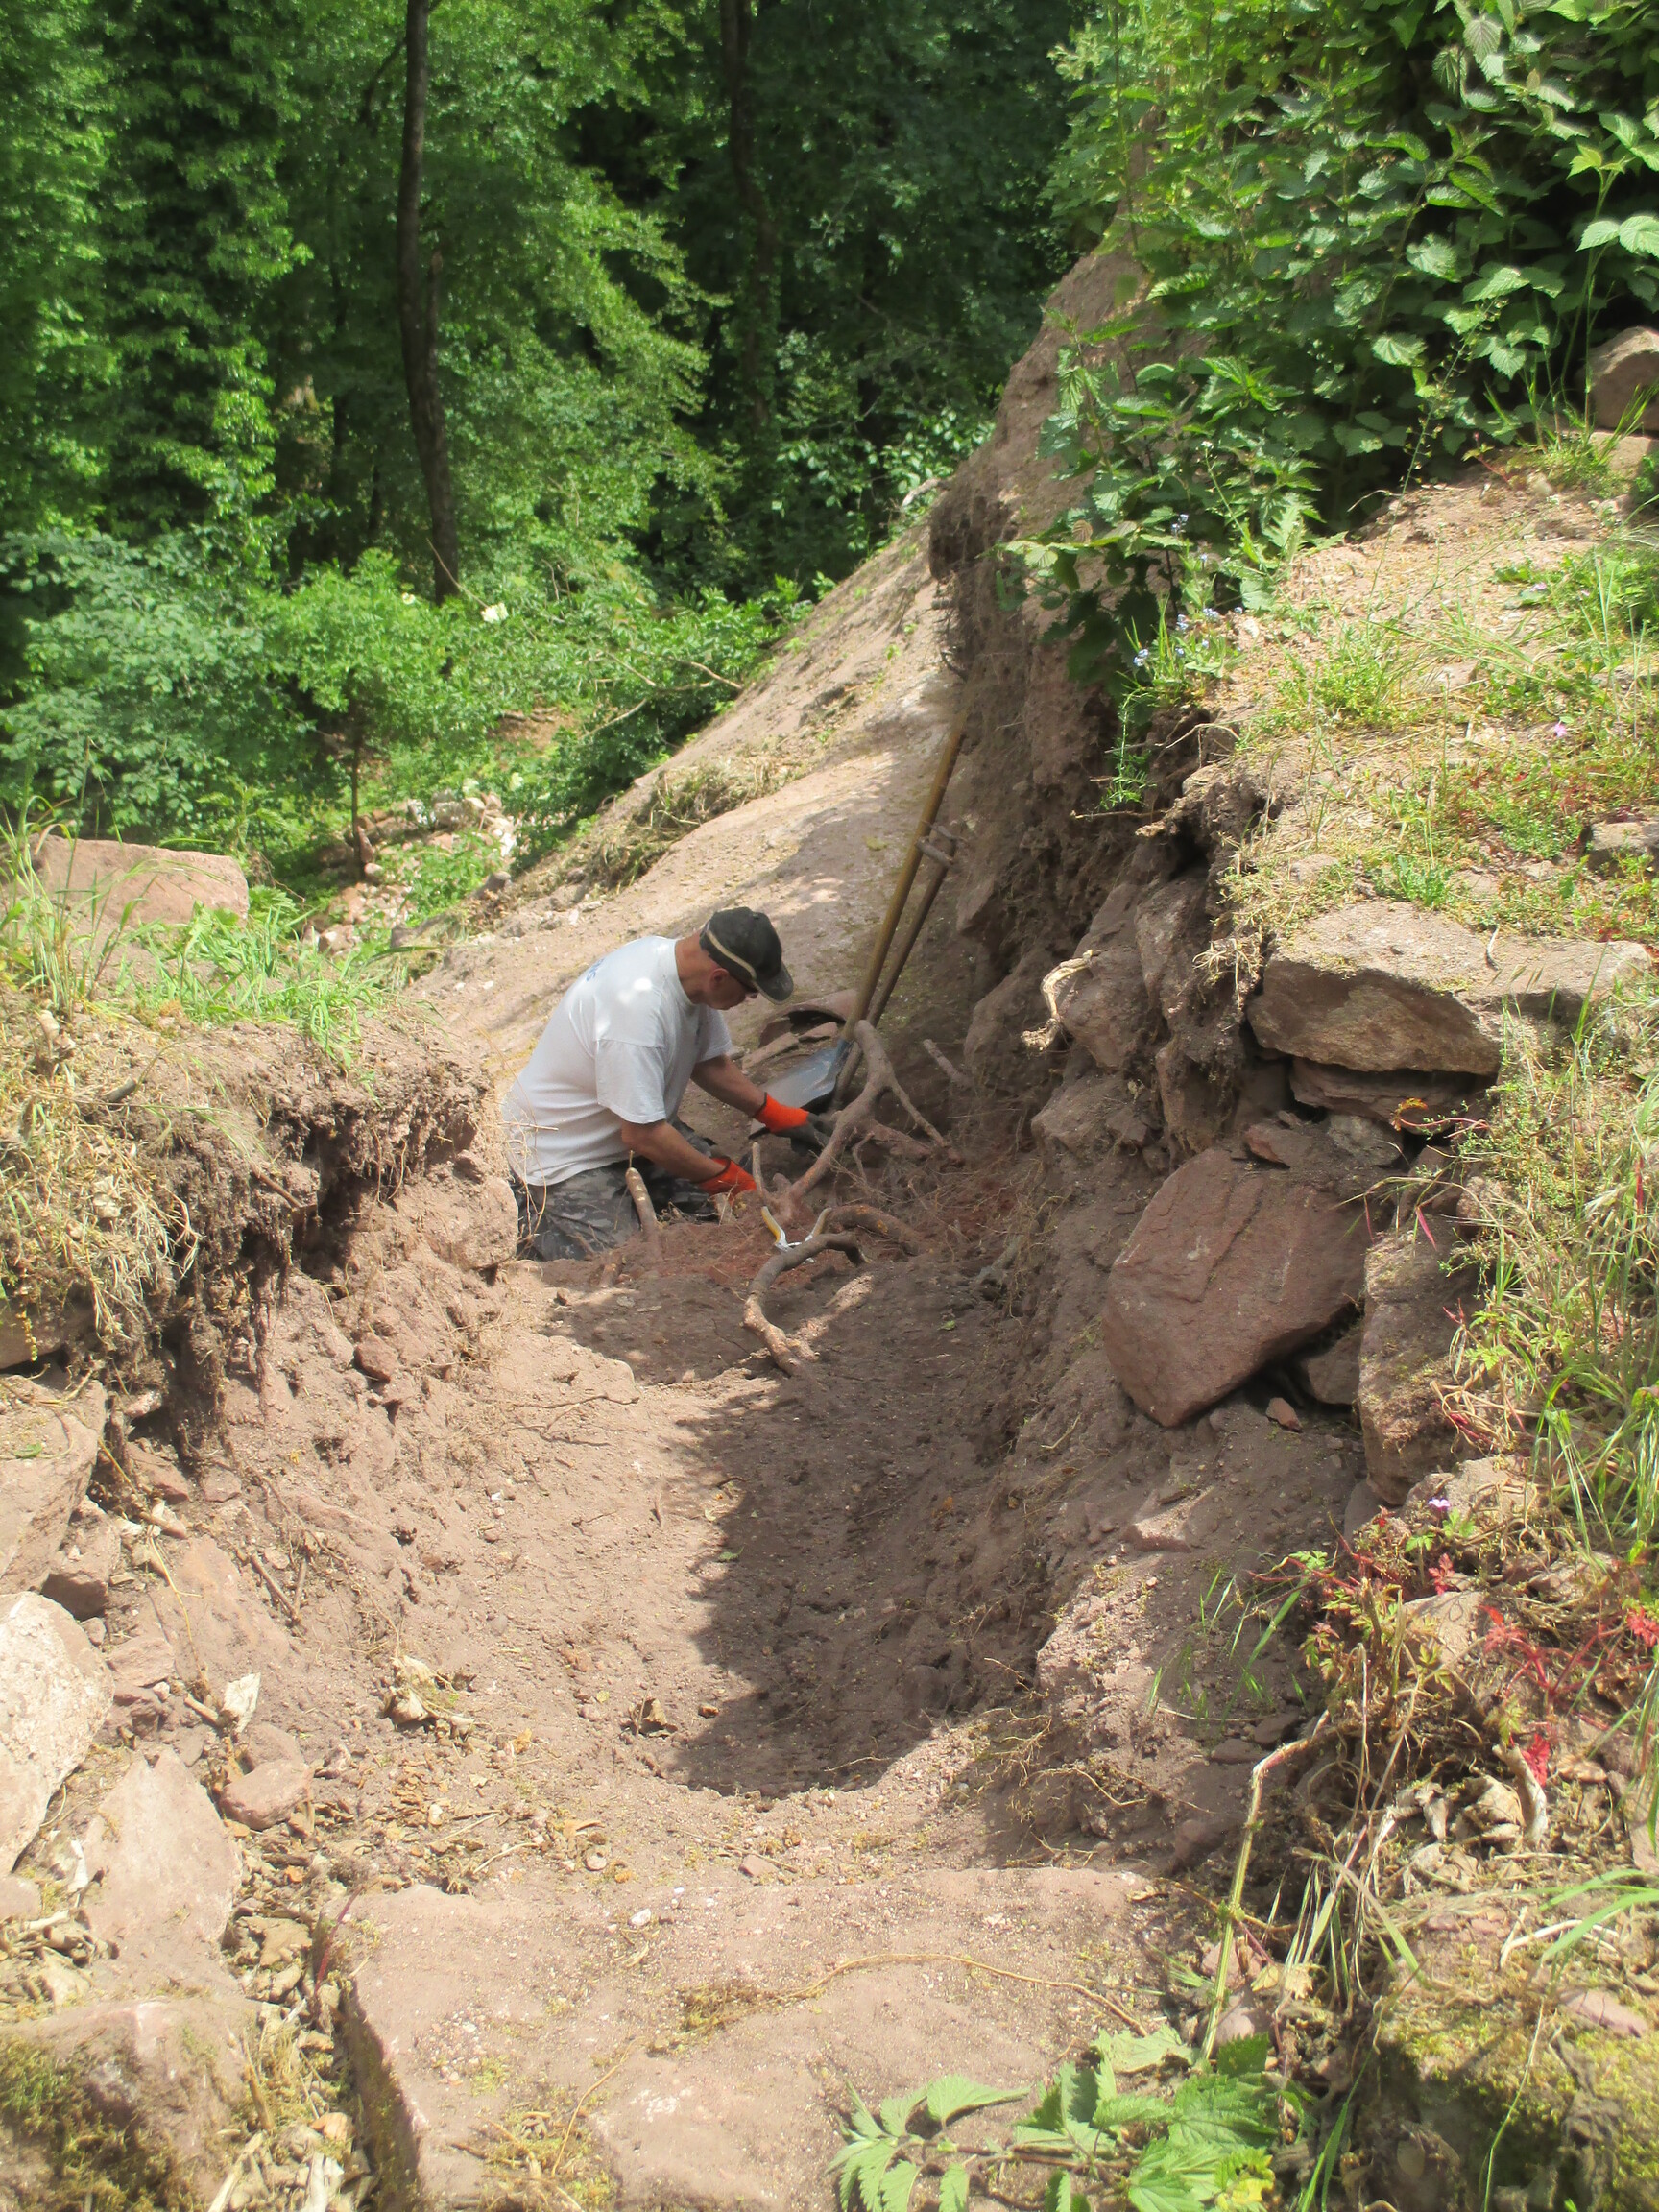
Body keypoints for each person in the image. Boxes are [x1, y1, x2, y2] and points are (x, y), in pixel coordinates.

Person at [501, 907, 819, 1260]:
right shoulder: (636, 1015)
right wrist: (728, 1180)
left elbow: (709, 1063)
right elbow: (643, 1135)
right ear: (719, 977)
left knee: (709, 1211)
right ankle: (527, 1216)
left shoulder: (684, 974)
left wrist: (776, 1115)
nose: (749, 1000)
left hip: (625, 1130)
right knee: (628, 1259)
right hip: (560, 1156)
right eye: (749, 992)